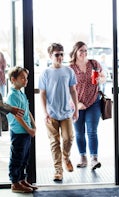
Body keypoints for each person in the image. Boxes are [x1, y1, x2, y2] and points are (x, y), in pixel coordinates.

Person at [38, 43, 78, 182]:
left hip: (66, 112)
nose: (60, 57)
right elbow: (42, 94)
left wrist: (76, 109)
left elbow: (73, 90)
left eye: (61, 54)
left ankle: (65, 157)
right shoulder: (45, 73)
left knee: (68, 138)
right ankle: (58, 170)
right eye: (57, 54)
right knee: (54, 143)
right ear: (50, 56)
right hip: (51, 114)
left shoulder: (68, 71)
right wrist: (44, 113)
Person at [69, 41, 106, 170]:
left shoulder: (94, 63)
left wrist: (100, 79)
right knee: (79, 132)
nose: (84, 53)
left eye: (85, 50)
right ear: (75, 52)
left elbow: (103, 76)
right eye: (81, 51)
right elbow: (66, 89)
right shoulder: (70, 68)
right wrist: (76, 104)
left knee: (92, 131)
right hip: (76, 104)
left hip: (93, 102)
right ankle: (82, 157)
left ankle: (94, 159)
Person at [6, 66, 37, 193]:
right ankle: (15, 183)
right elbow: (18, 116)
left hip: (26, 131)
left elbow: (27, 111)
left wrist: (33, 126)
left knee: (24, 157)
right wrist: (29, 129)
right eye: (22, 78)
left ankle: (21, 180)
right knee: (17, 158)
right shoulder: (12, 96)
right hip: (19, 132)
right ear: (13, 79)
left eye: (26, 78)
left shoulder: (21, 93)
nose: (25, 80)